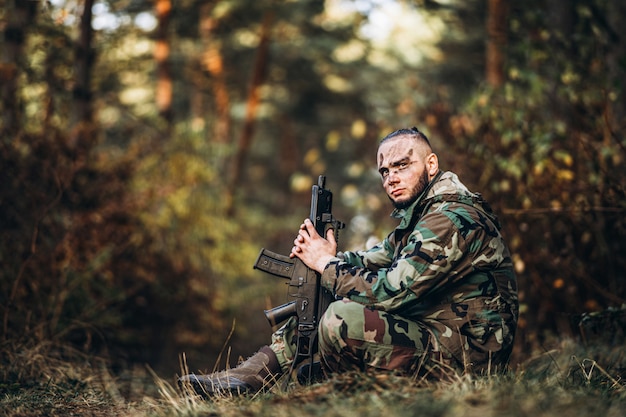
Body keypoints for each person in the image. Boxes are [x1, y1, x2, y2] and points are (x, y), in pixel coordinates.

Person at [179, 127, 518, 396]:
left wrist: (327, 265)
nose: (392, 178)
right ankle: (248, 378)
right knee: (324, 300)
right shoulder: (419, 218)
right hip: (439, 337)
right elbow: (374, 258)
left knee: (341, 317)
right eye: (384, 171)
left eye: (403, 165)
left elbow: (391, 292)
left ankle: (328, 379)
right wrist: (326, 255)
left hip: (469, 360)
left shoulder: (450, 218)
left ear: (431, 164)